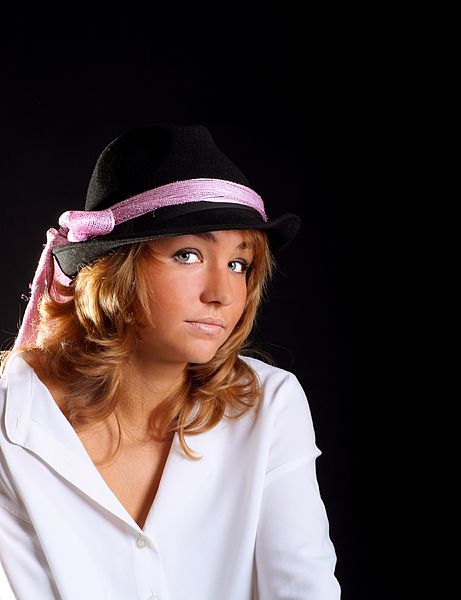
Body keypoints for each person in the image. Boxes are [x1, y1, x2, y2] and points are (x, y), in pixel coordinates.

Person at [0, 124, 340, 599]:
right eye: (188, 255)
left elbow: (304, 588)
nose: (221, 294)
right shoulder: (12, 418)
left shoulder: (270, 404)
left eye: (238, 264)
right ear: (116, 271)